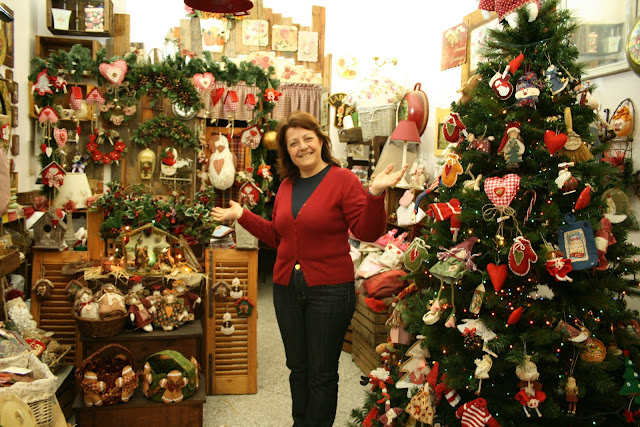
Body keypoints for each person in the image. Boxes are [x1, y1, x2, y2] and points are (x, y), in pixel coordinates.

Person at [211, 111, 408, 426]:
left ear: (320, 141)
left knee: (322, 373)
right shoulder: (286, 185)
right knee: (298, 368)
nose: (302, 147)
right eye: (293, 143)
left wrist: (375, 193)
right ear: (287, 151)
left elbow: (367, 231)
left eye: (307, 139)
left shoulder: (342, 180)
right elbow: (278, 236)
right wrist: (242, 215)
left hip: (330, 291)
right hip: (286, 288)